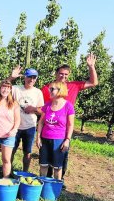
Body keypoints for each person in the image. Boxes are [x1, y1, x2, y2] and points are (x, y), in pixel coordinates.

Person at [41, 53, 98, 181]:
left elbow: (94, 82)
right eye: (61, 74)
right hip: (49, 126)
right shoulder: (48, 88)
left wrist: (91, 67)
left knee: (62, 153)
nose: (63, 76)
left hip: (65, 127)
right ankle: (47, 178)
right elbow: (43, 107)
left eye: (66, 74)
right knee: (47, 153)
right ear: (56, 74)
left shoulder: (74, 86)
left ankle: (59, 180)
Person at [8, 68, 44, 172]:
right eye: (29, 77)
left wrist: (33, 109)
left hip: (30, 126)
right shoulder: (16, 89)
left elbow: (42, 111)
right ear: (25, 77)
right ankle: (8, 171)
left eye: (34, 77)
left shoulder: (38, 92)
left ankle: (24, 172)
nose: (31, 80)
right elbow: (3, 87)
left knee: (27, 152)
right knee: (12, 150)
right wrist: (12, 77)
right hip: (15, 126)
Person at [37, 82, 74, 180]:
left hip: (58, 141)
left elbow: (70, 125)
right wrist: (38, 138)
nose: (49, 91)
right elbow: (41, 122)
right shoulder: (47, 105)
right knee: (43, 164)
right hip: (45, 139)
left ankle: (56, 187)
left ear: (60, 90)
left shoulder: (68, 106)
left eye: (52, 89)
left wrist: (67, 140)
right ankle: (42, 184)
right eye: (50, 89)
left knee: (57, 167)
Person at [0, 80, 20, 187]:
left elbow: (17, 120)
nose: (5, 90)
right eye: (3, 87)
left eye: (8, 88)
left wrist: (14, 129)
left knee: (6, 159)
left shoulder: (14, 103)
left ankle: (5, 179)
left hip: (8, 135)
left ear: (10, 90)